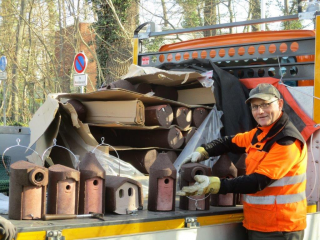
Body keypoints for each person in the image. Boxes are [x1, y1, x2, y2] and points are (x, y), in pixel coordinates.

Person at [177, 83, 307, 240]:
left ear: (279, 104)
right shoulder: (260, 134)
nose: (260, 112)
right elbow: (230, 142)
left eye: (265, 105)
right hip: (257, 224)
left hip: (281, 229)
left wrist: (218, 185)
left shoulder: (286, 141)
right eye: (255, 107)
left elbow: (258, 181)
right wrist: (204, 151)